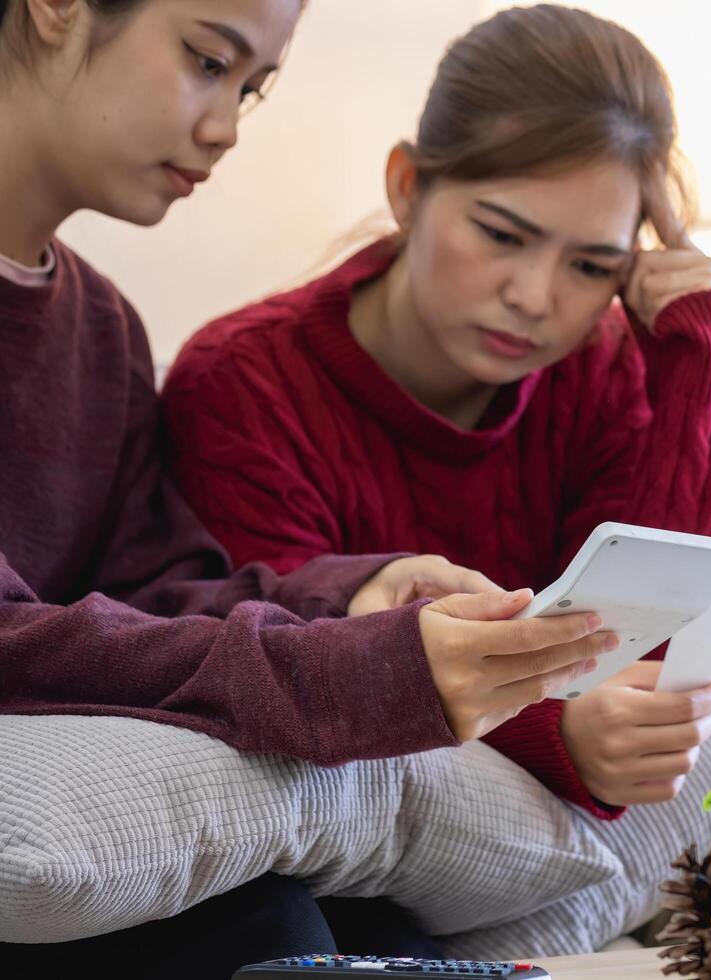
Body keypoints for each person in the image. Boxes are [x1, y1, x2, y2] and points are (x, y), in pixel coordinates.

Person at [0, 0, 616, 970]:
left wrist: (351, 599)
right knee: (267, 929)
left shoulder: (101, 330)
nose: (226, 128)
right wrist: (347, 672)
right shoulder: (232, 369)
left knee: (364, 926)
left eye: (252, 87)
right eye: (208, 60)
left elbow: (153, 592)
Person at [163, 4, 711, 821]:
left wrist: (696, 359)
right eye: (502, 235)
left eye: (590, 264)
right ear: (407, 187)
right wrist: (556, 732)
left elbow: (656, 647)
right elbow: (278, 661)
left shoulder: (610, 372)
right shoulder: (240, 385)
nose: (534, 297)